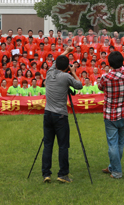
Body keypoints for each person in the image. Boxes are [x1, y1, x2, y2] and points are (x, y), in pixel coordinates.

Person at [42, 46, 82, 184]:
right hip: (60, 116)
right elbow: (79, 85)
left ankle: (46, 174)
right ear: (66, 68)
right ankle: (63, 174)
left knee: (48, 145)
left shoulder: (49, 72)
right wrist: (73, 72)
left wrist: (66, 51)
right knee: (63, 145)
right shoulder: (66, 76)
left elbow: (56, 61)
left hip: (47, 114)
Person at [97, 51, 124, 179]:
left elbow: (100, 87)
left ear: (109, 64)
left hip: (110, 114)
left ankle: (116, 171)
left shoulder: (105, 77)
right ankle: (112, 167)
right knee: (120, 143)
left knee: (112, 144)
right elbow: (122, 69)